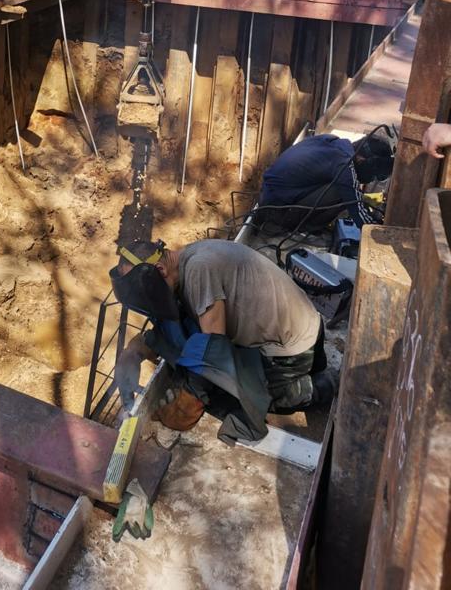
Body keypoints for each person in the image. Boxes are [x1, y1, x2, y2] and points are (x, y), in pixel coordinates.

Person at [111, 238, 336, 436]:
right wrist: (136, 350)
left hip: (295, 350)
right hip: (297, 325)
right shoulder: (184, 260)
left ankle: (316, 387)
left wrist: (188, 402)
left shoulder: (200, 269)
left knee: (245, 399)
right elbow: (178, 322)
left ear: (160, 269)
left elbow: (213, 350)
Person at [256, 129, 395, 233]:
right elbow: (358, 212)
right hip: (276, 213)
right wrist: (380, 231)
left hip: (268, 199)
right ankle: (303, 229)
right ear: (362, 159)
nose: (372, 180)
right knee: (343, 192)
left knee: (345, 187)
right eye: (375, 176)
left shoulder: (332, 141)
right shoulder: (344, 164)